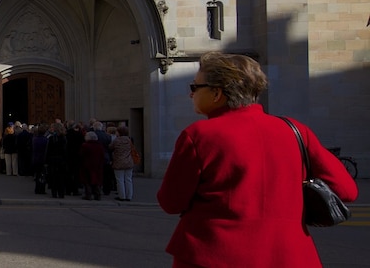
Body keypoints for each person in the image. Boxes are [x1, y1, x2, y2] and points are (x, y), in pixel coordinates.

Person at [158, 52, 358, 267]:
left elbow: (171, 202)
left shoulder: (199, 135)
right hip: (289, 255)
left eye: (195, 87)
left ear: (217, 93)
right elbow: (347, 191)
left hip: (215, 253)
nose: (191, 95)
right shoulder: (295, 129)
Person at [109, 126, 135, 202]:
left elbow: (110, 148)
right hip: (129, 161)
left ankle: (122, 196)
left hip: (119, 162)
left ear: (120, 132)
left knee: (120, 180)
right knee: (128, 180)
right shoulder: (129, 140)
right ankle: (129, 196)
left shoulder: (116, 140)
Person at [79, 131, 105, 201]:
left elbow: (81, 155)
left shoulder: (85, 145)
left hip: (87, 165)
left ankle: (88, 195)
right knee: (96, 180)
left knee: (87, 181)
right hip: (97, 165)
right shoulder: (100, 145)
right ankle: (97, 195)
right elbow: (102, 156)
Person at [45, 122, 68, 198]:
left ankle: (54, 193)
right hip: (61, 160)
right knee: (61, 177)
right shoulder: (64, 138)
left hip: (53, 160)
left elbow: (48, 150)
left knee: (54, 177)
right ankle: (61, 193)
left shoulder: (52, 138)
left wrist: (46, 161)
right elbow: (65, 150)